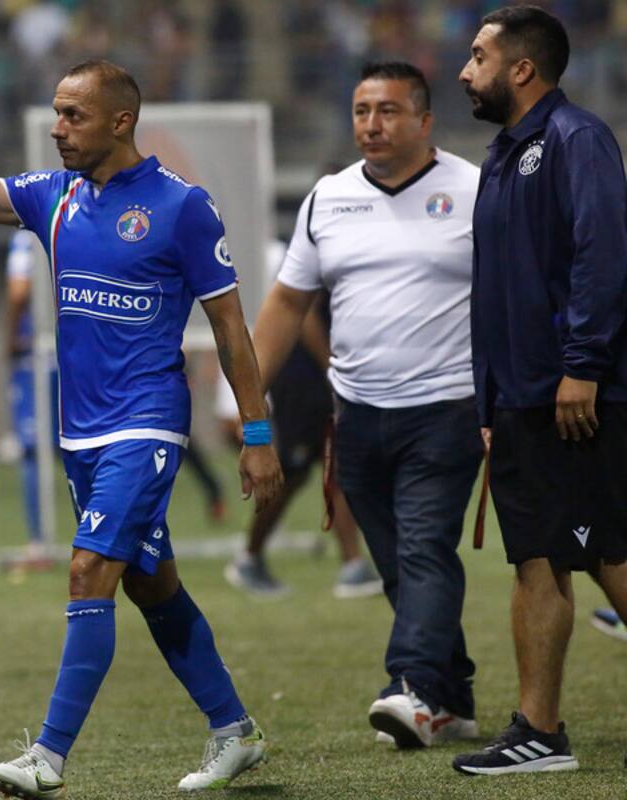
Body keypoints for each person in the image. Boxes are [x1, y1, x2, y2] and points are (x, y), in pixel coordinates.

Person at [0, 35, 284, 796]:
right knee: (153, 587)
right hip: (80, 432)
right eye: (56, 113)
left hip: (145, 423)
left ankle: (46, 757)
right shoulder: (56, 197)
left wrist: (257, 431)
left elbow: (232, 328)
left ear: (120, 122)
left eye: (72, 115)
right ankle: (234, 731)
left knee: (87, 569)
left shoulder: (181, 207)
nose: (56, 127)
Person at [250, 62, 485, 749]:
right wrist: (251, 399)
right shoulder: (327, 198)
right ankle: (454, 699)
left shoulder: (475, 191)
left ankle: (409, 686)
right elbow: (288, 303)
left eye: (386, 111)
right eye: (360, 111)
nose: (371, 125)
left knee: (424, 550)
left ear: (424, 120)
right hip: (354, 414)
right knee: (399, 566)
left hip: (446, 409)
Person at [454, 6, 627, 775]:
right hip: (523, 400)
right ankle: (538, 731)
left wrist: (583, 365)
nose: (465, 69)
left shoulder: (575, 139)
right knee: (537, 561)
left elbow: (602, 254)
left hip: (574, 395)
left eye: (480, 55)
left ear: (521, 68)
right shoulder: (501, 153)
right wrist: (491, 402)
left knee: (609, 555)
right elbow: (496, 289)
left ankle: (539, 728)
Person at [220, 238, 381, 600]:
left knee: (336, 466)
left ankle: (352, 565)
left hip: (322, 377)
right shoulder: (319, 244)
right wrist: (331, 367)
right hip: (304, 379)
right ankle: (249, 557)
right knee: (291, 473)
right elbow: (302, 313)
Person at [4, 229, 58, 560]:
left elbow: (19, 292)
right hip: (79, 351)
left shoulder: (28, 238)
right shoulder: (79, 222)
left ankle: (39, 542)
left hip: (37, 355)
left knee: (32, 451)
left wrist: (9, 337)